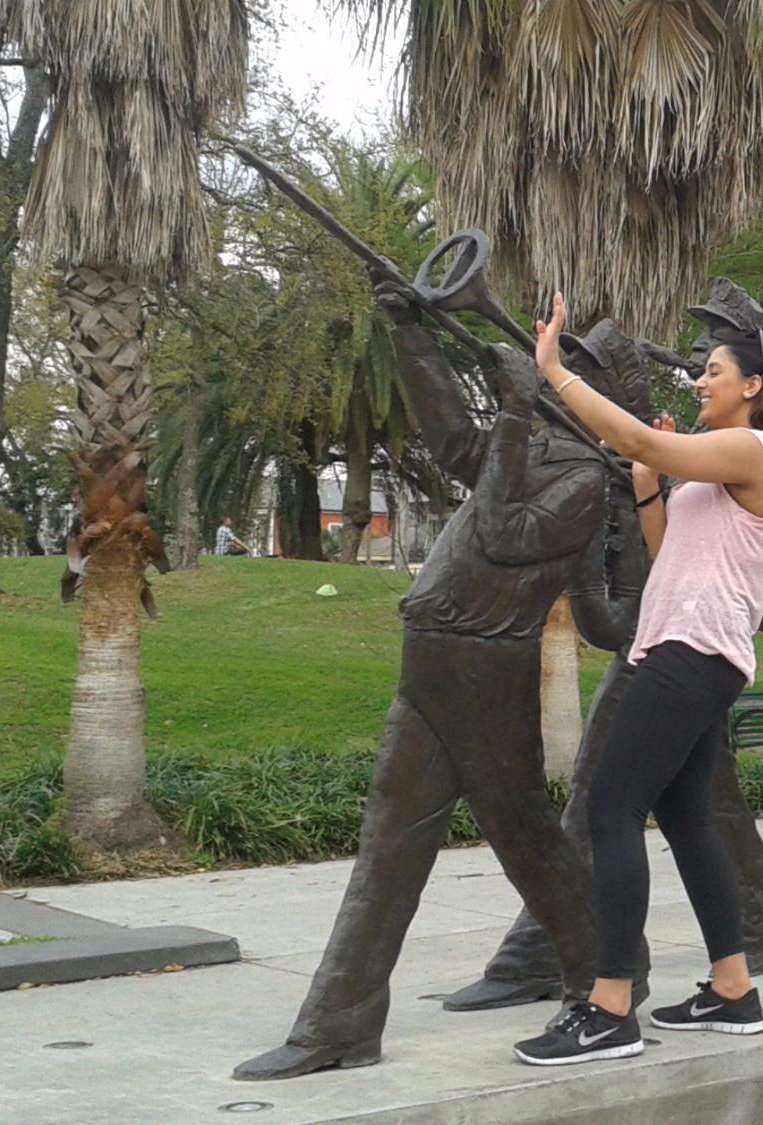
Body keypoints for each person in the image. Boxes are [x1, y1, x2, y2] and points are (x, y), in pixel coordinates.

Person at [236, 278, 621, 1082]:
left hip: (485, 665)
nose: (551, 378)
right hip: (437, 655)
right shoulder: (533, 447)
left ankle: (611, 973)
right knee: (392, 839)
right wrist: (411, 335)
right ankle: (340, 1023)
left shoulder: (585, 476)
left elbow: (501, 527)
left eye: (568, 371)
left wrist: (514, 410)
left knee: (525, 839)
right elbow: (453, 441)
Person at [512, 291, 763, 1064]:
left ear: (752, 384)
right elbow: (664, 543)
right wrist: (649, 476)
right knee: (685, 820)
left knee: (612, 808)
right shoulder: (712, 470)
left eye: (713, 371)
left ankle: (610, 1007)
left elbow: (638, 430)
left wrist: (554, 372)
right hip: (685, 651)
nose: (700, 381)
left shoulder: (758, 451)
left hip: (691, 655)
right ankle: (732, 988)